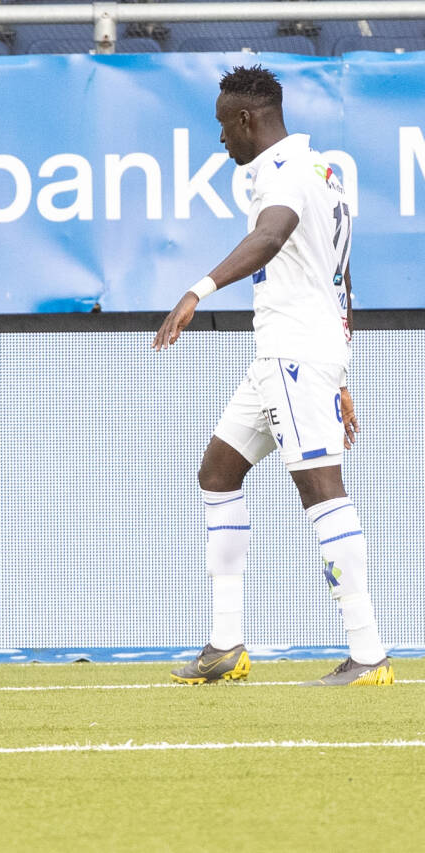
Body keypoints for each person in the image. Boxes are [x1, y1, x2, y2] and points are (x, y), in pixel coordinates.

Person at [153, 65, 393, 687]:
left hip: (293, 354)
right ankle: (226, 645)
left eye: (221, 128)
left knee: (321, 489)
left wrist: (196, 290)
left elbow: (272, 234)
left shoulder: (285, 174)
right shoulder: (323, 170)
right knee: (218, 471)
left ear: (245, 119)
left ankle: (368, 652)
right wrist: (341, 368)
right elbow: (340, 275)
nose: (220, 142)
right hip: (290, 356)